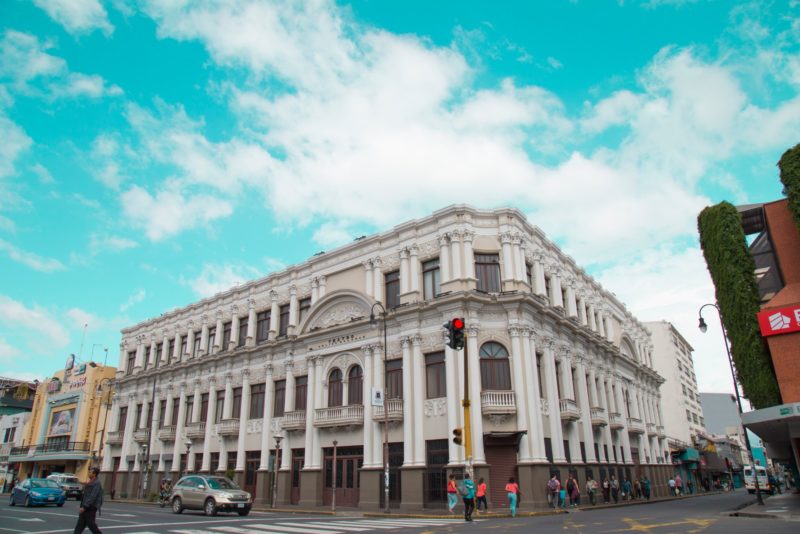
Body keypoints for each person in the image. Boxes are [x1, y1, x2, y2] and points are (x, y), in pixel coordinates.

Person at [74, 466, 103, 534]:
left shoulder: (97, 483)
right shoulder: (91, 481)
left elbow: (93, 496)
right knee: (80, 525)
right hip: (86, 506)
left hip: (91, 507)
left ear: (94, 474)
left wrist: (84, 507)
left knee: (91, 524)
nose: (88, 473)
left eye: (90, 472)